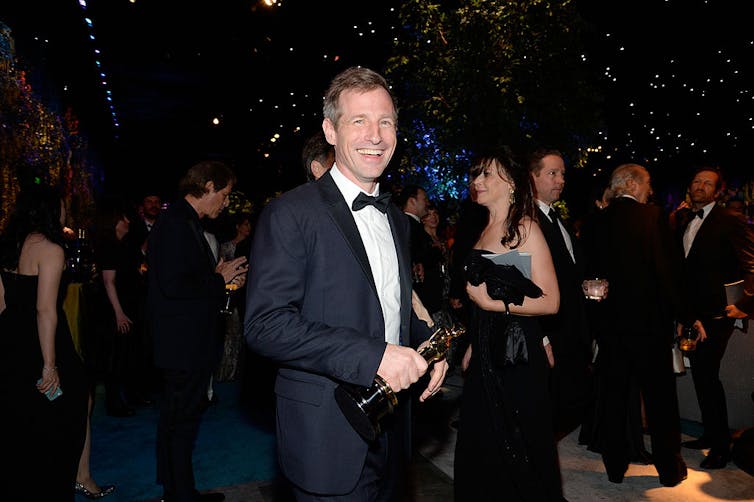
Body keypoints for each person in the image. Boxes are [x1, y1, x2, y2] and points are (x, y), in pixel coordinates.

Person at [244, 66, 448, 501]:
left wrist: (428, 347)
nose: (375, 135)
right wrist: (375, 356)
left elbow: (388, 307)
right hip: (326, 432)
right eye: (359, 121)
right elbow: (265, 325)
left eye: (386, 122)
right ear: (330, 131)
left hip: (394, 428)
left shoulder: (395, 219)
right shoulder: (290, 213)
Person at [453, 147, 564, 501]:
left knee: (518, 440)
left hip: (516, 355)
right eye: (475, 174)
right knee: (480, 440)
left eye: (486, 174)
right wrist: (474, 342)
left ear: (512, 183)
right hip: (487, 350)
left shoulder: (524, 228)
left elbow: (550, 300)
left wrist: (491, 302)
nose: (477, 181)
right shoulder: (484, 227)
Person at [581, 163, 688, 487]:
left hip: (611, 330)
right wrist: (680, 315)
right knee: (660, 402)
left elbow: (587, 276)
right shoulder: (653, 217)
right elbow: (668, 273)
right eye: (648, 184)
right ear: (631, 183)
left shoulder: (595, 221)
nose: (650, 190)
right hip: (649, 329)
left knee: (614, 398)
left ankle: (614, 467)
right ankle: (669, 469)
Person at [147, 160, 248, 502]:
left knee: (180, 421)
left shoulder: (183, 220)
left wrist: (218, 273)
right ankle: (180, 494)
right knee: (181, 422)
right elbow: (176, 285)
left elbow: (184, 277)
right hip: (182, 343)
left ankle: (180, 490)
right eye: (224, 194)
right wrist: (220, 279)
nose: (225, 202)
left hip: (183, 340)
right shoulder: (177, 222)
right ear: (206, 187)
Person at [0, 183, 89, 500]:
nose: (66, 210)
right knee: (69, 412)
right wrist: (49, 365)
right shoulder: (51, 249)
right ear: (50, 210)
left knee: (22, 424)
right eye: (62, 205)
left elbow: (2, 303)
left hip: (11, 343)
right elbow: (45, 309)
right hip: (45, 342)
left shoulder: (9, 245)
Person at [674, 166, 754, 469]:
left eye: (707, 183)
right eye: (696, 181)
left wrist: (746, 303)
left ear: (717, 191)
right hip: (693, 313)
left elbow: (751, 263)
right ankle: (711, 434)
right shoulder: (683, 219)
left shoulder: (730, 220)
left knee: (707, 374)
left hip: (720, 313)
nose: (700, 186)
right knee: (701, 375)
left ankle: (721, 446)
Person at [527, 148, 593, 441]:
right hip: (548, 324)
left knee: (568, 391)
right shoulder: (526, 220)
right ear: (533, 177)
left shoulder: (557, 218)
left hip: (570, 322)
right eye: (552, 173)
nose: (561, 180)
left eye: (563, 174)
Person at [91, 199, 143, 417]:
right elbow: (108, 282)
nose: (127, 221)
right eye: (123, 218)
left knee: (121, 354)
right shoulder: (110, 246)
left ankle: (121, 398)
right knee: (114, 356)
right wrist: (119, 313)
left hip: (123, 306)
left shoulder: (122, 245)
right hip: (114, 310)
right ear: (115, 222)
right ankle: (114, 403)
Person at [216, 212, 253, 383]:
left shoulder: (250, 246)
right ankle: (224, 371)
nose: (248, 228)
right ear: (237, 226)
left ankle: (234, 371)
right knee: (228, 331)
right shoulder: (224, 247)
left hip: (241, 292)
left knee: (237, 332)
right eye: (245, 224)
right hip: (225, 292)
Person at [418, 202, 450, 321]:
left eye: (435, 213)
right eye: (429, 214)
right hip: (430, 291)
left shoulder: (443, 239)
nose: (433, 217)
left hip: (446, 289)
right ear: (423, 219)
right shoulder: (422, 240)